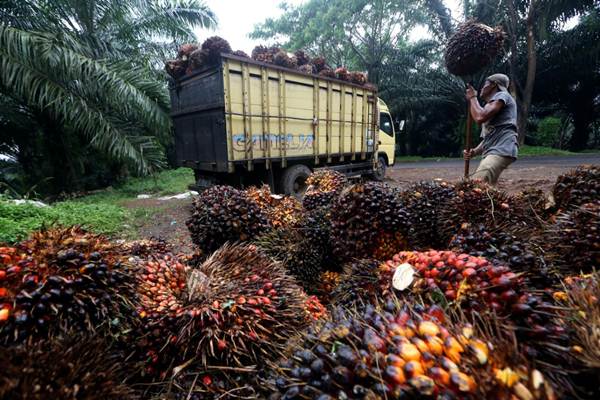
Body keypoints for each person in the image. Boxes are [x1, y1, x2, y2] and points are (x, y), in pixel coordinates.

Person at [463, 73, 518, 185]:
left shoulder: (503, 95)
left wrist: (473, 98)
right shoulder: (491, 105)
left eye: (485, 84)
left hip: (502, 149)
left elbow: (479, 117)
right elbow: (489, 138)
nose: (482, 88)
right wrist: (474, 152)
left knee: (476, 185)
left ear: (494, 85)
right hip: (493, 151)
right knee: (486, 189)